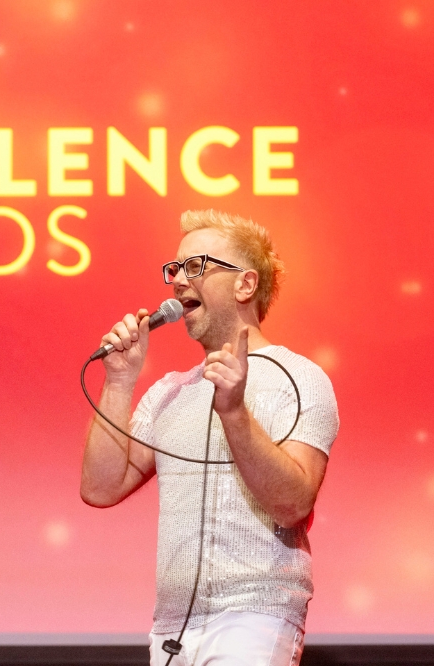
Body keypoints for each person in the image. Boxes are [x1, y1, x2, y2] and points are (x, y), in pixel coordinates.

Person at [80, 210, 340, 666]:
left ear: (245, 285)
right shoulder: (168, 393)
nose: (178, 281)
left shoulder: (298, 378)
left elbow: (293, 503)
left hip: (255, 617)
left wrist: (235, 412)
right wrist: (119, 382)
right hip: (171, 627)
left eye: (196, 266)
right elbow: (99, 488)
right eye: (175, 269)